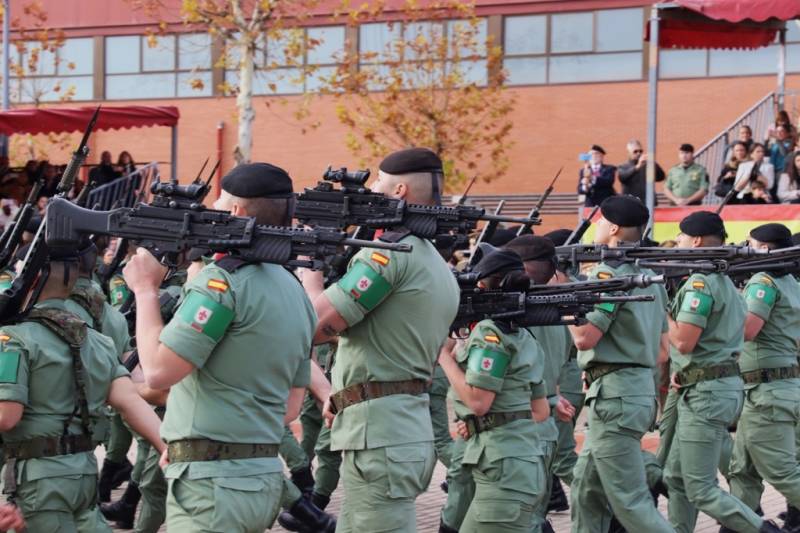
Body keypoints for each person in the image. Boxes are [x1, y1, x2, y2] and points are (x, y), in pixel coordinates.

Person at [122, 162, 328, 531]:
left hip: (213, 490)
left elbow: (157, 371)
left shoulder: (222, 284)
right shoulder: (292, 288)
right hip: (261, 478)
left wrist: (145, 290)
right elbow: (289, 406)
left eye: (218, 200)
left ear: (235, 212)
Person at [302, 147, 460, 532]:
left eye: (377, 182)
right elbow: (383, 337)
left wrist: (310, 277)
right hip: (391, 428)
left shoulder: (388, 256)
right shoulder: (432, 261)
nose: (371, 188)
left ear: (400, 190)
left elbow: (316, 327)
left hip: (381, 438)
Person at [0, 243, 164, 531]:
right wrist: (169, 447)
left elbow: (6, 416)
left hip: (35, 481)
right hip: (83, 471)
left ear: (30, 279)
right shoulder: (97, 341)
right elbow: (131, 402)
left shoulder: (14, 339)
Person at [663, 211, 782, 533]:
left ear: (697, 241)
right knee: (675, 477)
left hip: (706, 391)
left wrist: (662, 312)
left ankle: (762, 529)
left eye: (684, 237)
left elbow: (684, 342)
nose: (681, 242)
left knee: (700, 488)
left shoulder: (700, 284)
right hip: (711, 386)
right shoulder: (726, 282)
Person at [565, 195, 672, 533]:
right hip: (631, 391)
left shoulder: (606, 276)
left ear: (611, 228)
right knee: (586, 488)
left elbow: (584, 338)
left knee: (629, 502)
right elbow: (663, 352)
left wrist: (565, 301)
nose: (595, 227)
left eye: (599, 222)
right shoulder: (649, 278)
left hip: (616, 397)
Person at [437, 246, 550, 533]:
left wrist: (443, 356)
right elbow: (540, 410)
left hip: (504, 471)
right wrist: (481, 424)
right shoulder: (525, 336)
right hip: (520, 464)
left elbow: (477, 401)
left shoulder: (490, 333)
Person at [727, 223, 800, 532]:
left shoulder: (763, 280)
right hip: (780, 384)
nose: (746, 248)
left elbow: (746, 330)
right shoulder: (793, 283)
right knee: (742, 471)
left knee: (781, 470)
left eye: (751, 244)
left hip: (764, 389)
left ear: (766, 249)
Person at [505, 234, 572, 525]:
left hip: (519, 425)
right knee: (534, 514)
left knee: (523, 517)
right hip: (543, 423)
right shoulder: (553, 310)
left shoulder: (518, 311)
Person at [617, 139, 665, 204]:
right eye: (635, 151)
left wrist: (653, 163)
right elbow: (622, 178)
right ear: (628, 153)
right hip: (630, 202)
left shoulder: (647, 165)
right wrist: (637, 167)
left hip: (648, 201)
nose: (638, 153)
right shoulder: (623, 166)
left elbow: (661, 177)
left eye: (640, 151)